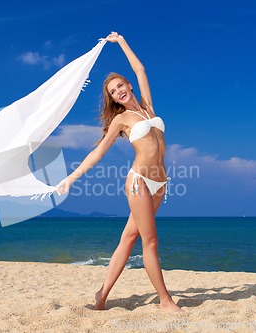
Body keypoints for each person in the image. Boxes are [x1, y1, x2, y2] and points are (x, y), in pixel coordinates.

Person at [56, 32, 184, 313]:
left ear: (128, 84)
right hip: (139, 182)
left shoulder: (148, 108)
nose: (118, 92)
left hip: (160, 184)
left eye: (120, 86)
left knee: (129, 238)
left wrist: (122, 41)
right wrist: (71, 178)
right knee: (149, 240)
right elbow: (98, 152)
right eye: (113, 92)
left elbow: (141, 69)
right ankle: (165, 301)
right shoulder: (121, 119)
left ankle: (101, 295)